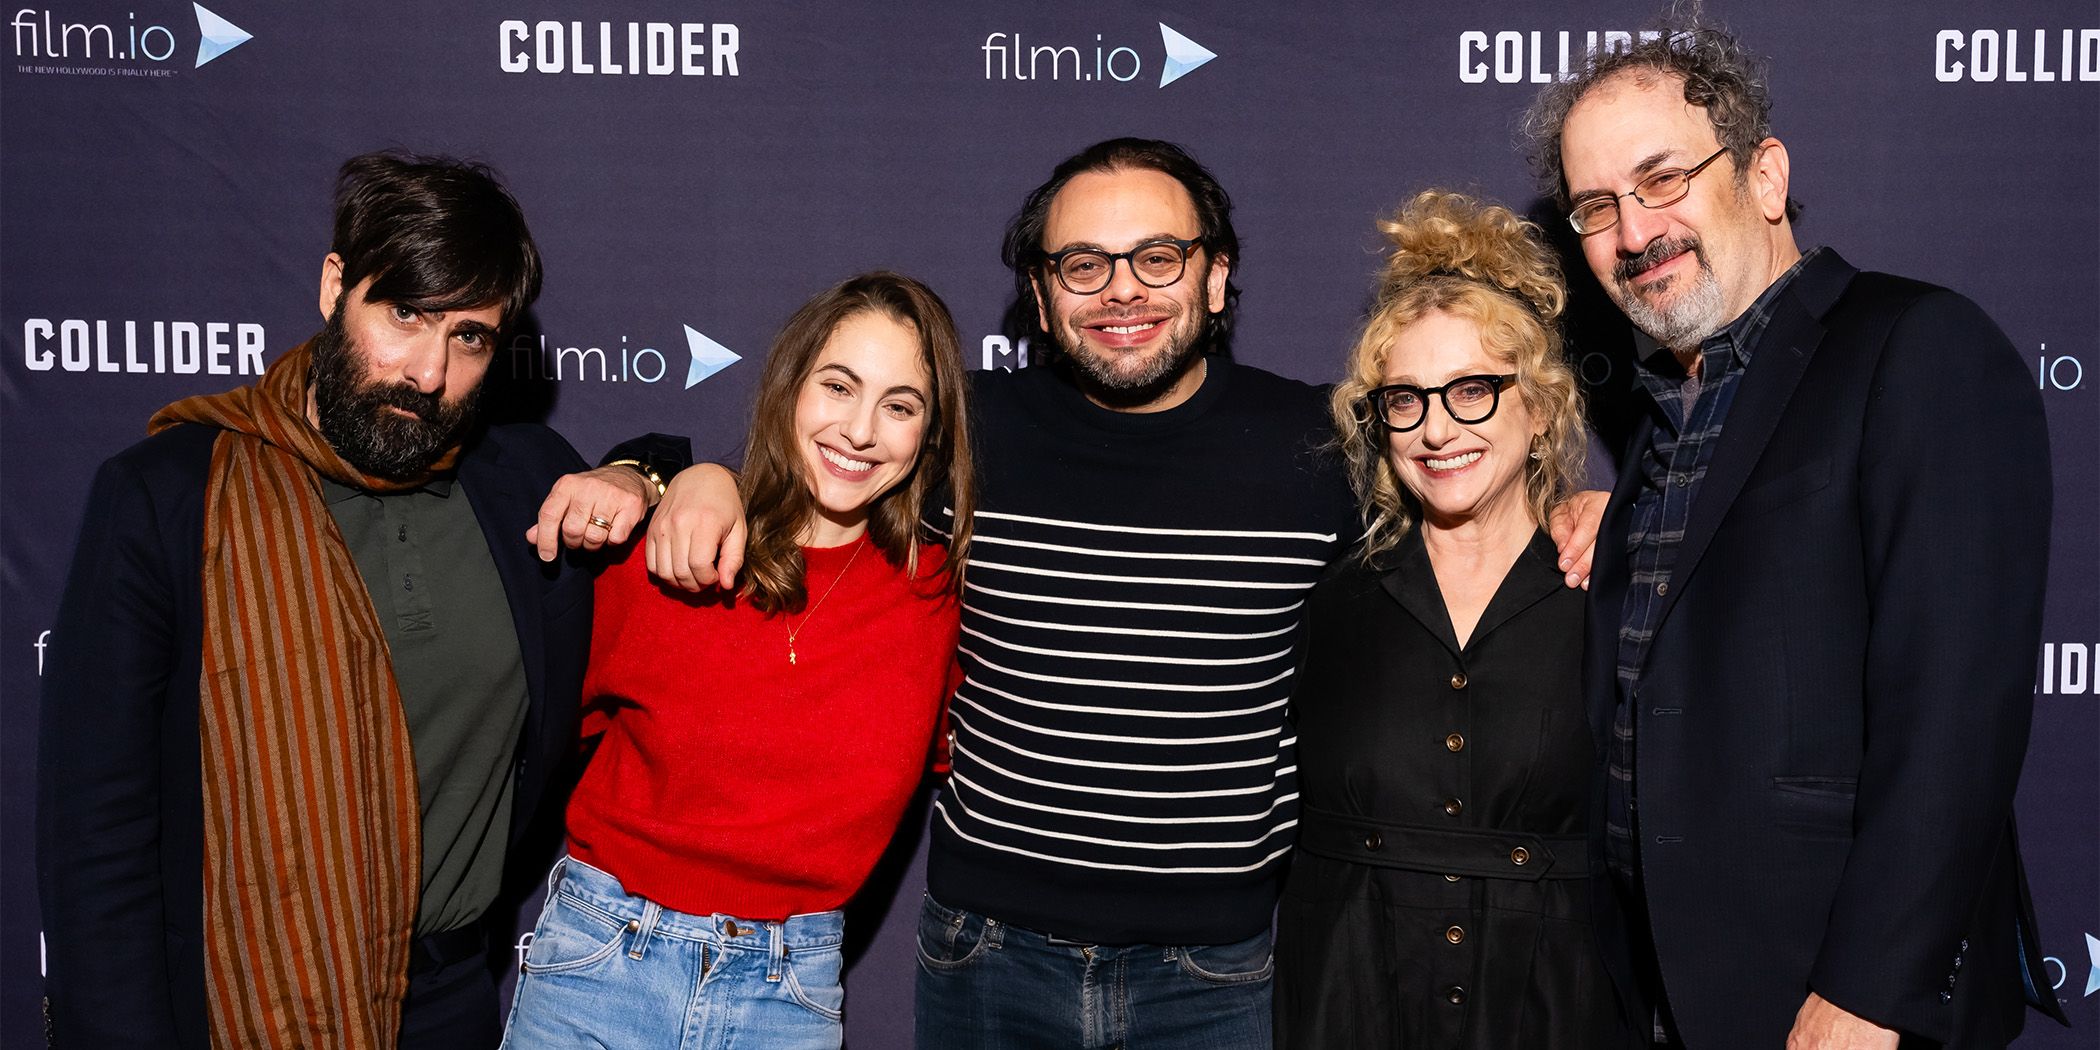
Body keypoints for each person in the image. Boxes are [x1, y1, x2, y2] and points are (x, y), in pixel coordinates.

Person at [613, 139, 1610, 1048]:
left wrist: (1591, 510)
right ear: (1043, 300)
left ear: (1217, 279)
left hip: (1216, 975)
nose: (1121, 290)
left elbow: (1470, 484)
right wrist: (663, 473)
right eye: (1082, 265)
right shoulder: (963, 434)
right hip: (987, 955)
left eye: (1158, 258)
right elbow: (808, 478)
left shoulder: (1327, 448)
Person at [35, 151, 662, 1050]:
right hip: (229, 1002)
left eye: (470, 337)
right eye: (403, 313)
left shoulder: (523, 483)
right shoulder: (164, 497)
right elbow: (96, 838)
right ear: (336, 287)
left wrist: (653, 472)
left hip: (452, 1000)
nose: (426, 370)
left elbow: (666, 485)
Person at [1522, 26, 2068, 1049]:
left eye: (1663, 178)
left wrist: (1873, 988)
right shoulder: (1662, 417)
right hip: (1667, 989)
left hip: (1833, 993)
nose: (1634, 231)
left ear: (1764, 176)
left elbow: (1955, 708)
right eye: (1596, 206)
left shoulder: (1916, 348)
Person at [499, 272, 975, 1050]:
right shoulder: (667, 551)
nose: (860, 430)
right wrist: (668, 473)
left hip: (790, 991)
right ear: (789, 386)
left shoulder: (936, 598)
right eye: (838, 386)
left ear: (928, 431)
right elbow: (527, 737)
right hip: (600, 961)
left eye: (899, 406)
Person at [1274, 191, 1611, 1048]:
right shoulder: (1330, 598)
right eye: (1406, 400)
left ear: (1537, 408)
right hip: (1347, 1008)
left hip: (1560, 1010)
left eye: (1471, 391)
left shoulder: (1613, 587)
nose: (1436, 429)